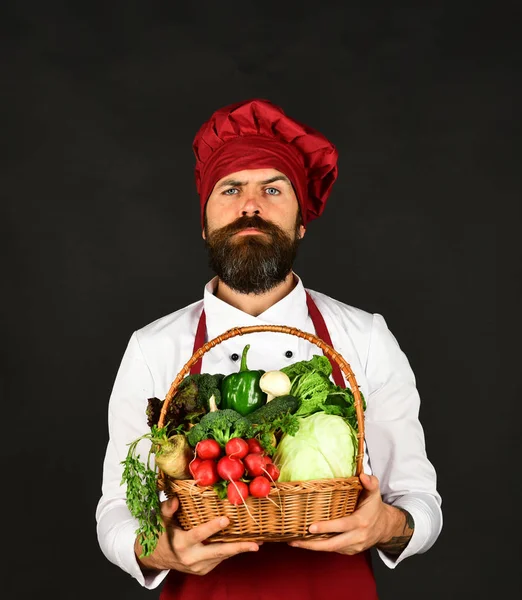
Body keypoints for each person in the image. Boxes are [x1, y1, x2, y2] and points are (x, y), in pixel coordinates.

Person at [95, 98, 443, 600]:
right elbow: (116, 510)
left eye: (272, 189)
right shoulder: (154, 347)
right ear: (204, 222)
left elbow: (420, 502)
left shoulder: (364, 337)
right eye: (231, 188)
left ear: (302, 221)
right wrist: (157, 550)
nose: (250, 205)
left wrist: (388, 525)